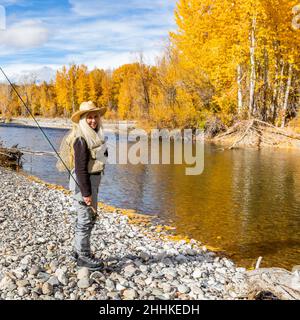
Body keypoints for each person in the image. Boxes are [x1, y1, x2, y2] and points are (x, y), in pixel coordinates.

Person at [66, 101, 108, 270]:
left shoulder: (96, 136)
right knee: (86, 220)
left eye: (95, 116)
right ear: (83, 119)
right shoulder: (81, 140)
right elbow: (81, 170)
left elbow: (101, 159)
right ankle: (83, 255)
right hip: (84, 185)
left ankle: (77, 251)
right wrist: (86, 194)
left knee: (86, 219)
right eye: (89, 117)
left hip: (91, 184)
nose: (93, 120)